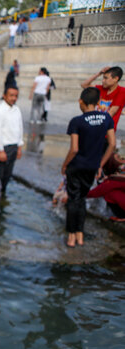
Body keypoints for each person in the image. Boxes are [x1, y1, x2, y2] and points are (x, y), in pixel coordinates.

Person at [60, 87, 116, 247]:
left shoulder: (77, 121)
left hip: (76, 166)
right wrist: (100, 164)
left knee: (73, 200)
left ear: (81, 102)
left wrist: (64, 165)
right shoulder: (106, 118)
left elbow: (74, 149)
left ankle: (71, 236)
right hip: (92, 166)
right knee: (82, 199)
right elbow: (112, 144)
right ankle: (80, 235)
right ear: (98, 102)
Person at [0, 86, 24, 194]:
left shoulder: (17, 110)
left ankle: (2, 196)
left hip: (13, 146)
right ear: (4, 96)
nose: (13, 98)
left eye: (16, 96)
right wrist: (0, 150)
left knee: (7, 175)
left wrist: (19, 146)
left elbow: (20, 128)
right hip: (2, 148)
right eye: (11, 95)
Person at [81, 66, 125, 131]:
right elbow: (84, 85)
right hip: (93, 128)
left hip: (106, 131)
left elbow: (111, 113)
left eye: (105, 78)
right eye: (103, 78)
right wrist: (99, 73)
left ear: (115, 78)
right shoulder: (100, 88)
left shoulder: (122, 91)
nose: (103, 81)